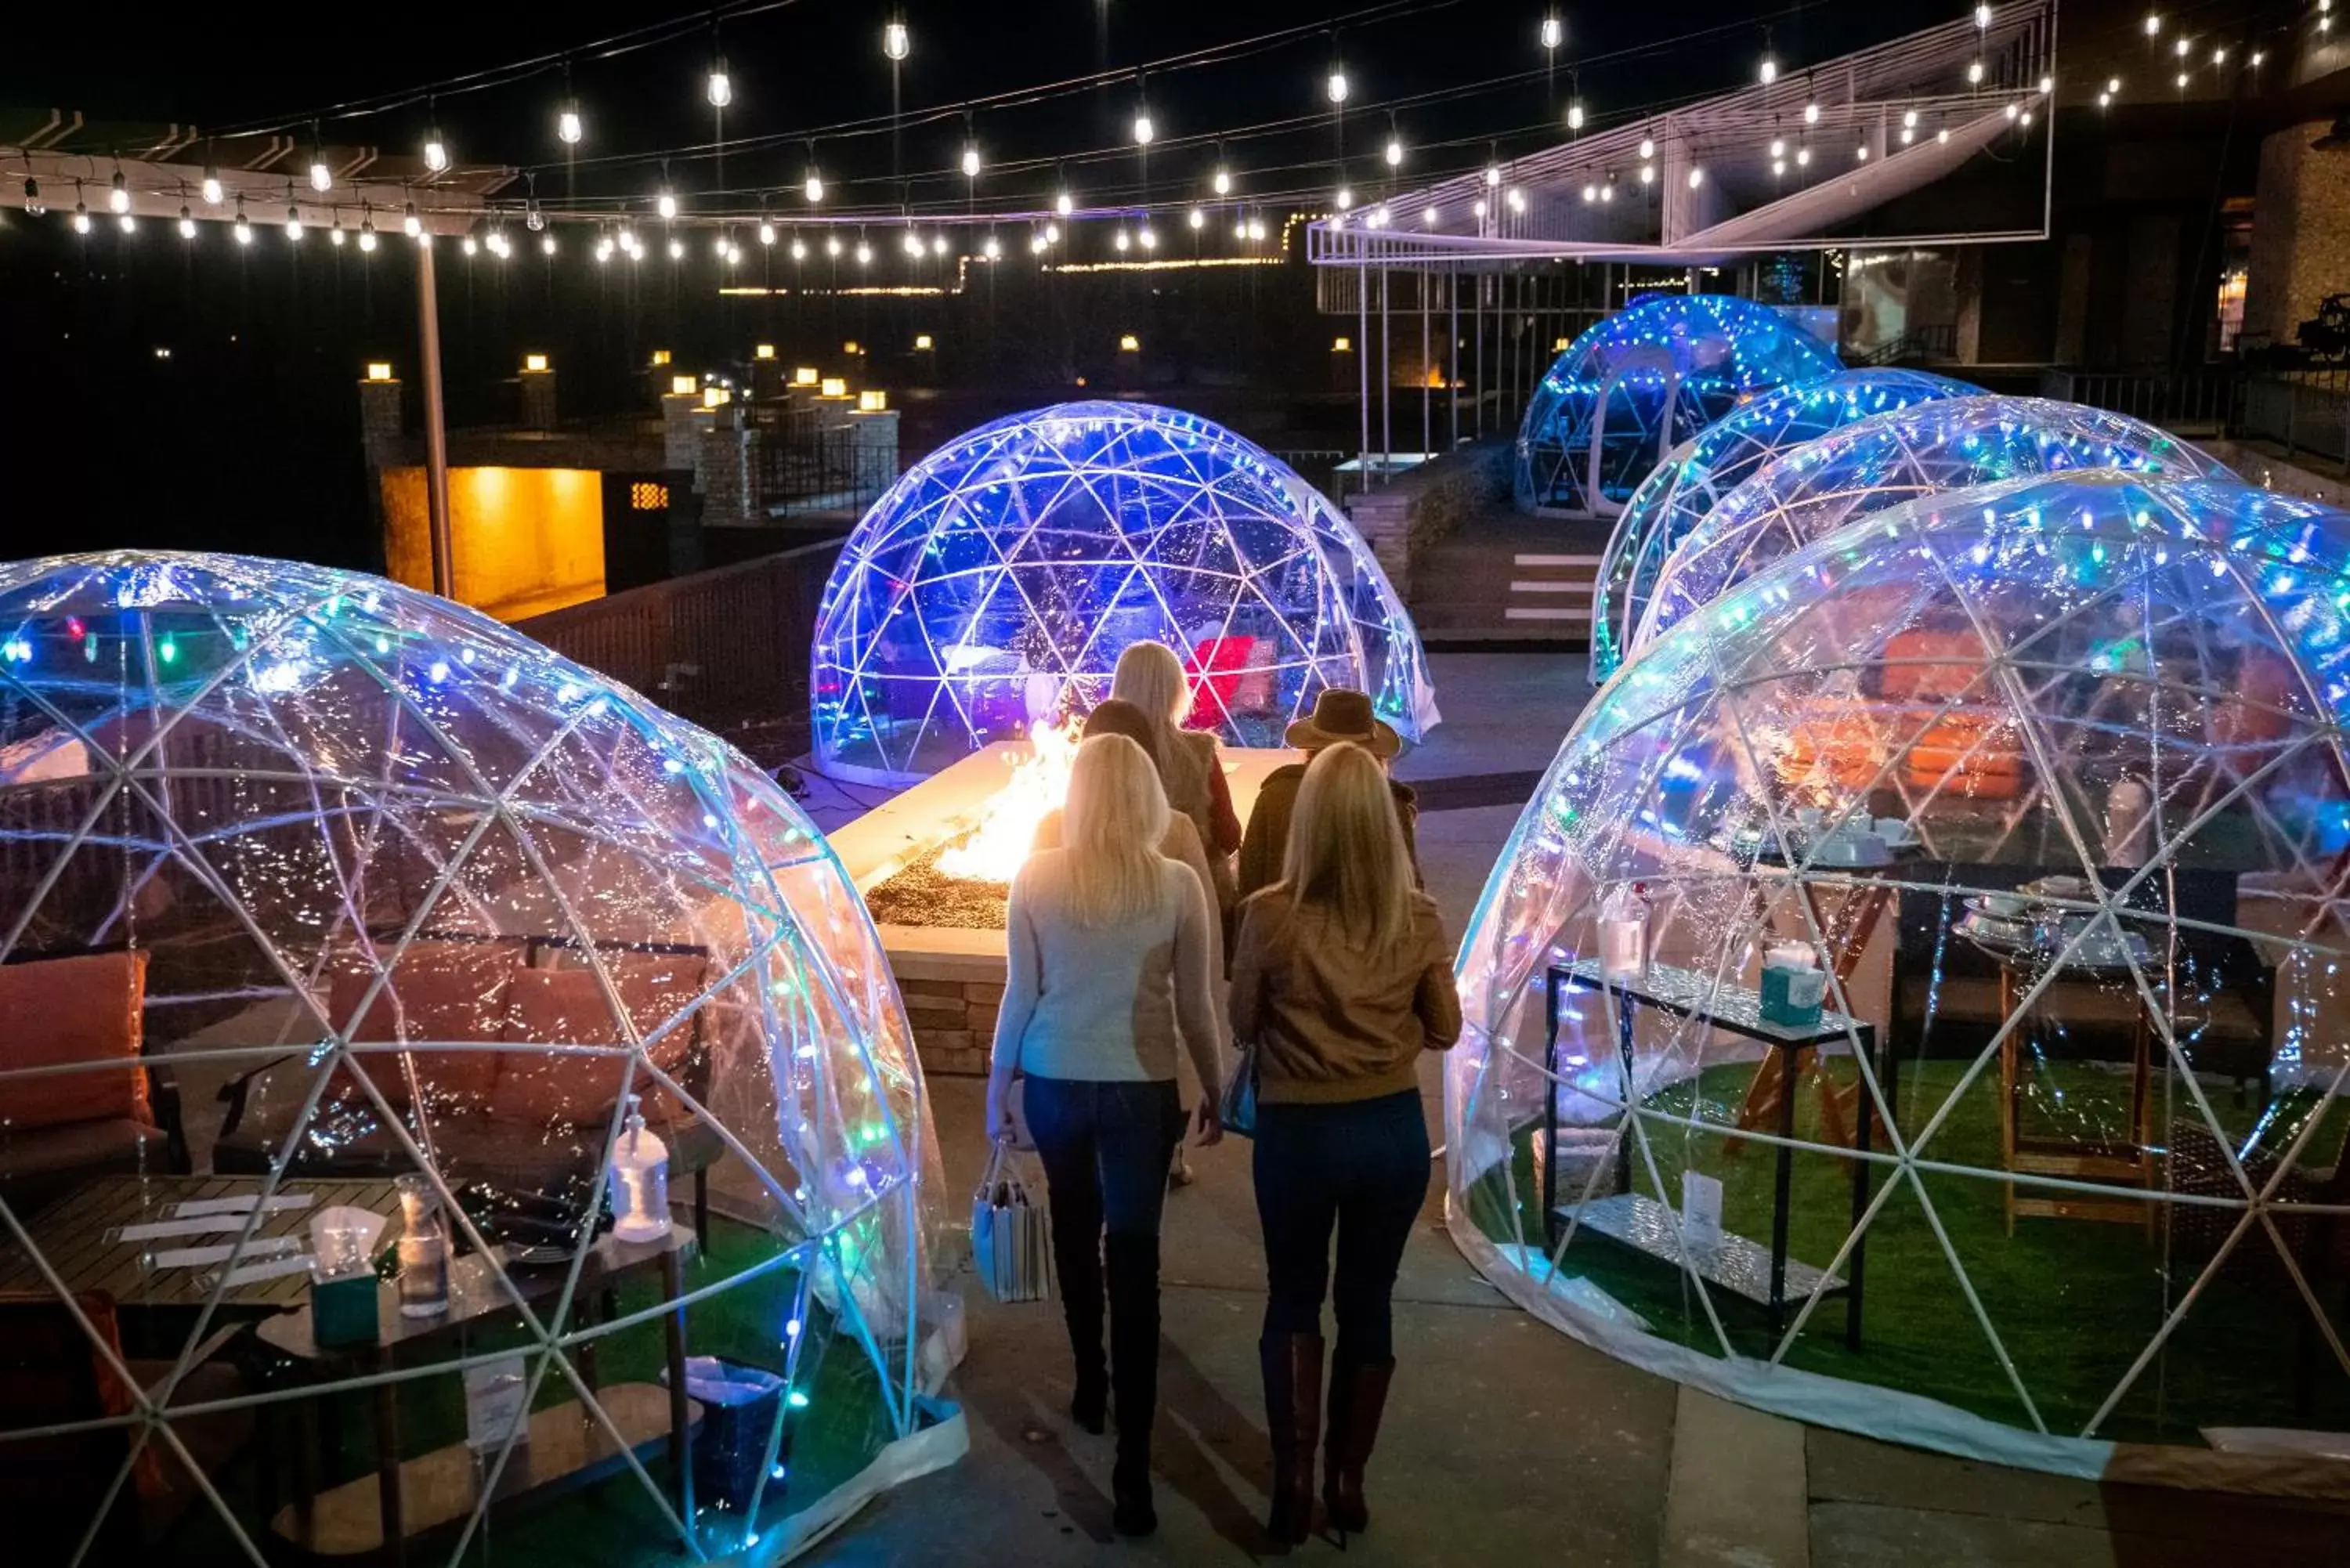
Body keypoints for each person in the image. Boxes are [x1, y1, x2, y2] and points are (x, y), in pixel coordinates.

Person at [985, 733, 1224, 1537]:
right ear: (1150, 798)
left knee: (1073, 1228)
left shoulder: (1036, 877)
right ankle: (1134, 1472)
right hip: (1139, 1090)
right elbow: (1196, 1007)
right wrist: (1216, 1087)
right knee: (1135, 1258)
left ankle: (1090, 1380)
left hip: (1055, 1081)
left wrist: (997, 1092)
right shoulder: (1178, 884)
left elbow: (1020, 996)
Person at [1227, 742, 1461, 1545]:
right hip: (1389, 1130)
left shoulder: (1267, 913)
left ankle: (1291, 1483)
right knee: (1369, 1301)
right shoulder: (1418, 917)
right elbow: (1446, 1028)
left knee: (1292, 1295)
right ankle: (1348, 1482)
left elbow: (1240, 1024)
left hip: (1296, 1132)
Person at [1032, 699, 1227, 1187]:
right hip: (1145, 1056)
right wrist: (1211, 1080)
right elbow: (1196, 979)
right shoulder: (1178, 831)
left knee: (1072, 1215)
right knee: (1135, 1229)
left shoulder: (1050, 830)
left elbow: (1032, 961)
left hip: (1061, 1059)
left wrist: (1008, 1078)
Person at [1237, 688, 1421, 901]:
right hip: (1373, 930)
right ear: (1376, 756)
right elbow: (1411, 890)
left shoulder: (1274, 795)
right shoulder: (1392, 805)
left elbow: (1250, 883)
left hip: (1285, 928)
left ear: (1311, 748)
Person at [1108, 641, 1242, 916]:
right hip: (1196, 899)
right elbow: (1229, 835)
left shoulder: (1102, 756)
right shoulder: (1200, 752)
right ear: (1175, 689)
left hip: (1117, 896)